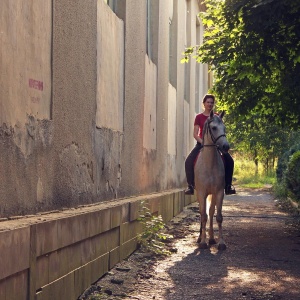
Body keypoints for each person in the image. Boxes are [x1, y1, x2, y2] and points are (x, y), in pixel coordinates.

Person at [184, 94, 236, 195]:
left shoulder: (217, 116)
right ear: (204, 103)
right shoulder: (199, 117)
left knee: (230, 160)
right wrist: (202, 142)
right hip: (201, 143)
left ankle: (228, 186)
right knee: (188, 161)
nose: (210, 104)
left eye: (212, 102)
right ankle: (190, 186)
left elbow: (220, 130)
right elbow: (195, 134)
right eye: (208, 102)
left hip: (216, 145)